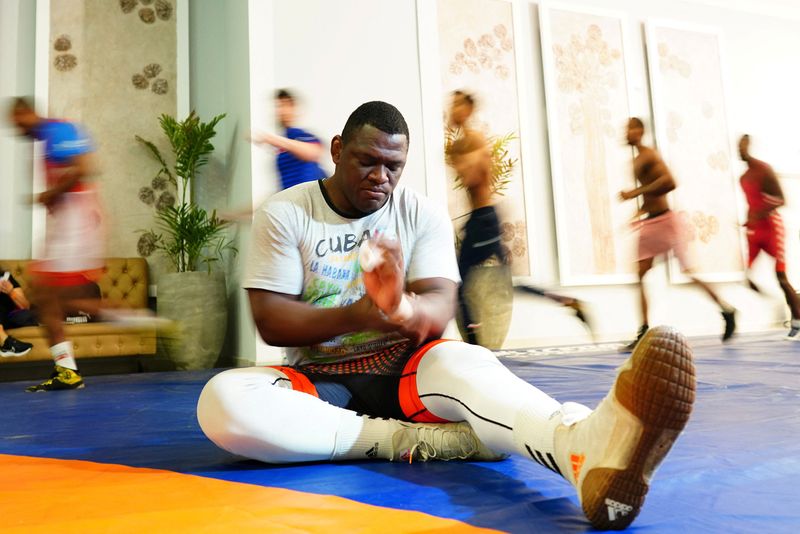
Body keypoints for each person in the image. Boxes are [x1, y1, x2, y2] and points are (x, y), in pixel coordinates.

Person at [197, 101, 696, 530]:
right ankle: (419, 442)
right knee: (222, 402)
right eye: (366, 160)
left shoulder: (420, 213)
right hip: (323, 384)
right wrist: (363, 313)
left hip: (411, 378)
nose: (380, 176)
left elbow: (438, 308)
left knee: (466, 361)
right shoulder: (287, 212)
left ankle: (583, 450)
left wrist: (399, 307)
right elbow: (272, 321)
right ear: (335, 150)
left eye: (393, 166)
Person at [446, 91, 589, 344]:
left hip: (483, 222)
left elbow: (469, 172)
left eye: (457, 106)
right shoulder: (467, 142)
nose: (452, 110)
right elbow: (453, 156)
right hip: (482, 220)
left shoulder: (476, 142)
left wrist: (458, 152)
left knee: (459, 282)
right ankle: (567, 301)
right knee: (511, 284)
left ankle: (475, 345)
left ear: (468, 109)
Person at [8, 97, 106, 392]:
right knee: (47, 296)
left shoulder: (56, 131)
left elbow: (84, 166)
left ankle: (133, 318)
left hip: (75, 219)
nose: (16, 129)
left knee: (47, 294)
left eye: (17, 121)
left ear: (26, 112)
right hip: (69, 220)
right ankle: (66, 369)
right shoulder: (45, 137)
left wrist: (50, 194)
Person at [619, 117, 736, 350]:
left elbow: (670, 182)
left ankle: (727, 310)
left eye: (631, 129)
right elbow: (652, 194)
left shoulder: (650, 155)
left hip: (667, 222)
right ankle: (643, 330)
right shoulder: (636, 160)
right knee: (640, 274)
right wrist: (638, 212)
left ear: (640, 131)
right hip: (651, 223)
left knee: (689, 273)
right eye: (626, 129)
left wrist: (635, 193)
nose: (626, 133)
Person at [738, 134, 800, 340]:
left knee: (781, 277)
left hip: (772, 228)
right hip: (756, 231)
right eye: (738, 146)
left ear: (750, 146)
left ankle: (798, 322)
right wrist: (749, 220)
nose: (740, 150)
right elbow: (751, 204)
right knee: (747, 275)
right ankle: (772, 300)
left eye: (744, 145)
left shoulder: (763, 169)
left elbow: (780, 199)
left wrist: (761, 213)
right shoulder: (743, 178)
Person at [251, 89, 327, 191]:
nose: (282, 110)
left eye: (287, 104)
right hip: (292, 201)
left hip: (310, 200)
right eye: (279, 106)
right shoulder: (281, 148)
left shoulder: (302, 135)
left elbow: (313, 152)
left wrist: (270, 139)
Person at [0, 271, 36, 357]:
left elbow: (25, 306)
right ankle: (7, 342)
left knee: (27, 315)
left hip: (8, 318)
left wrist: (11, 291)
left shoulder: (6, 277)